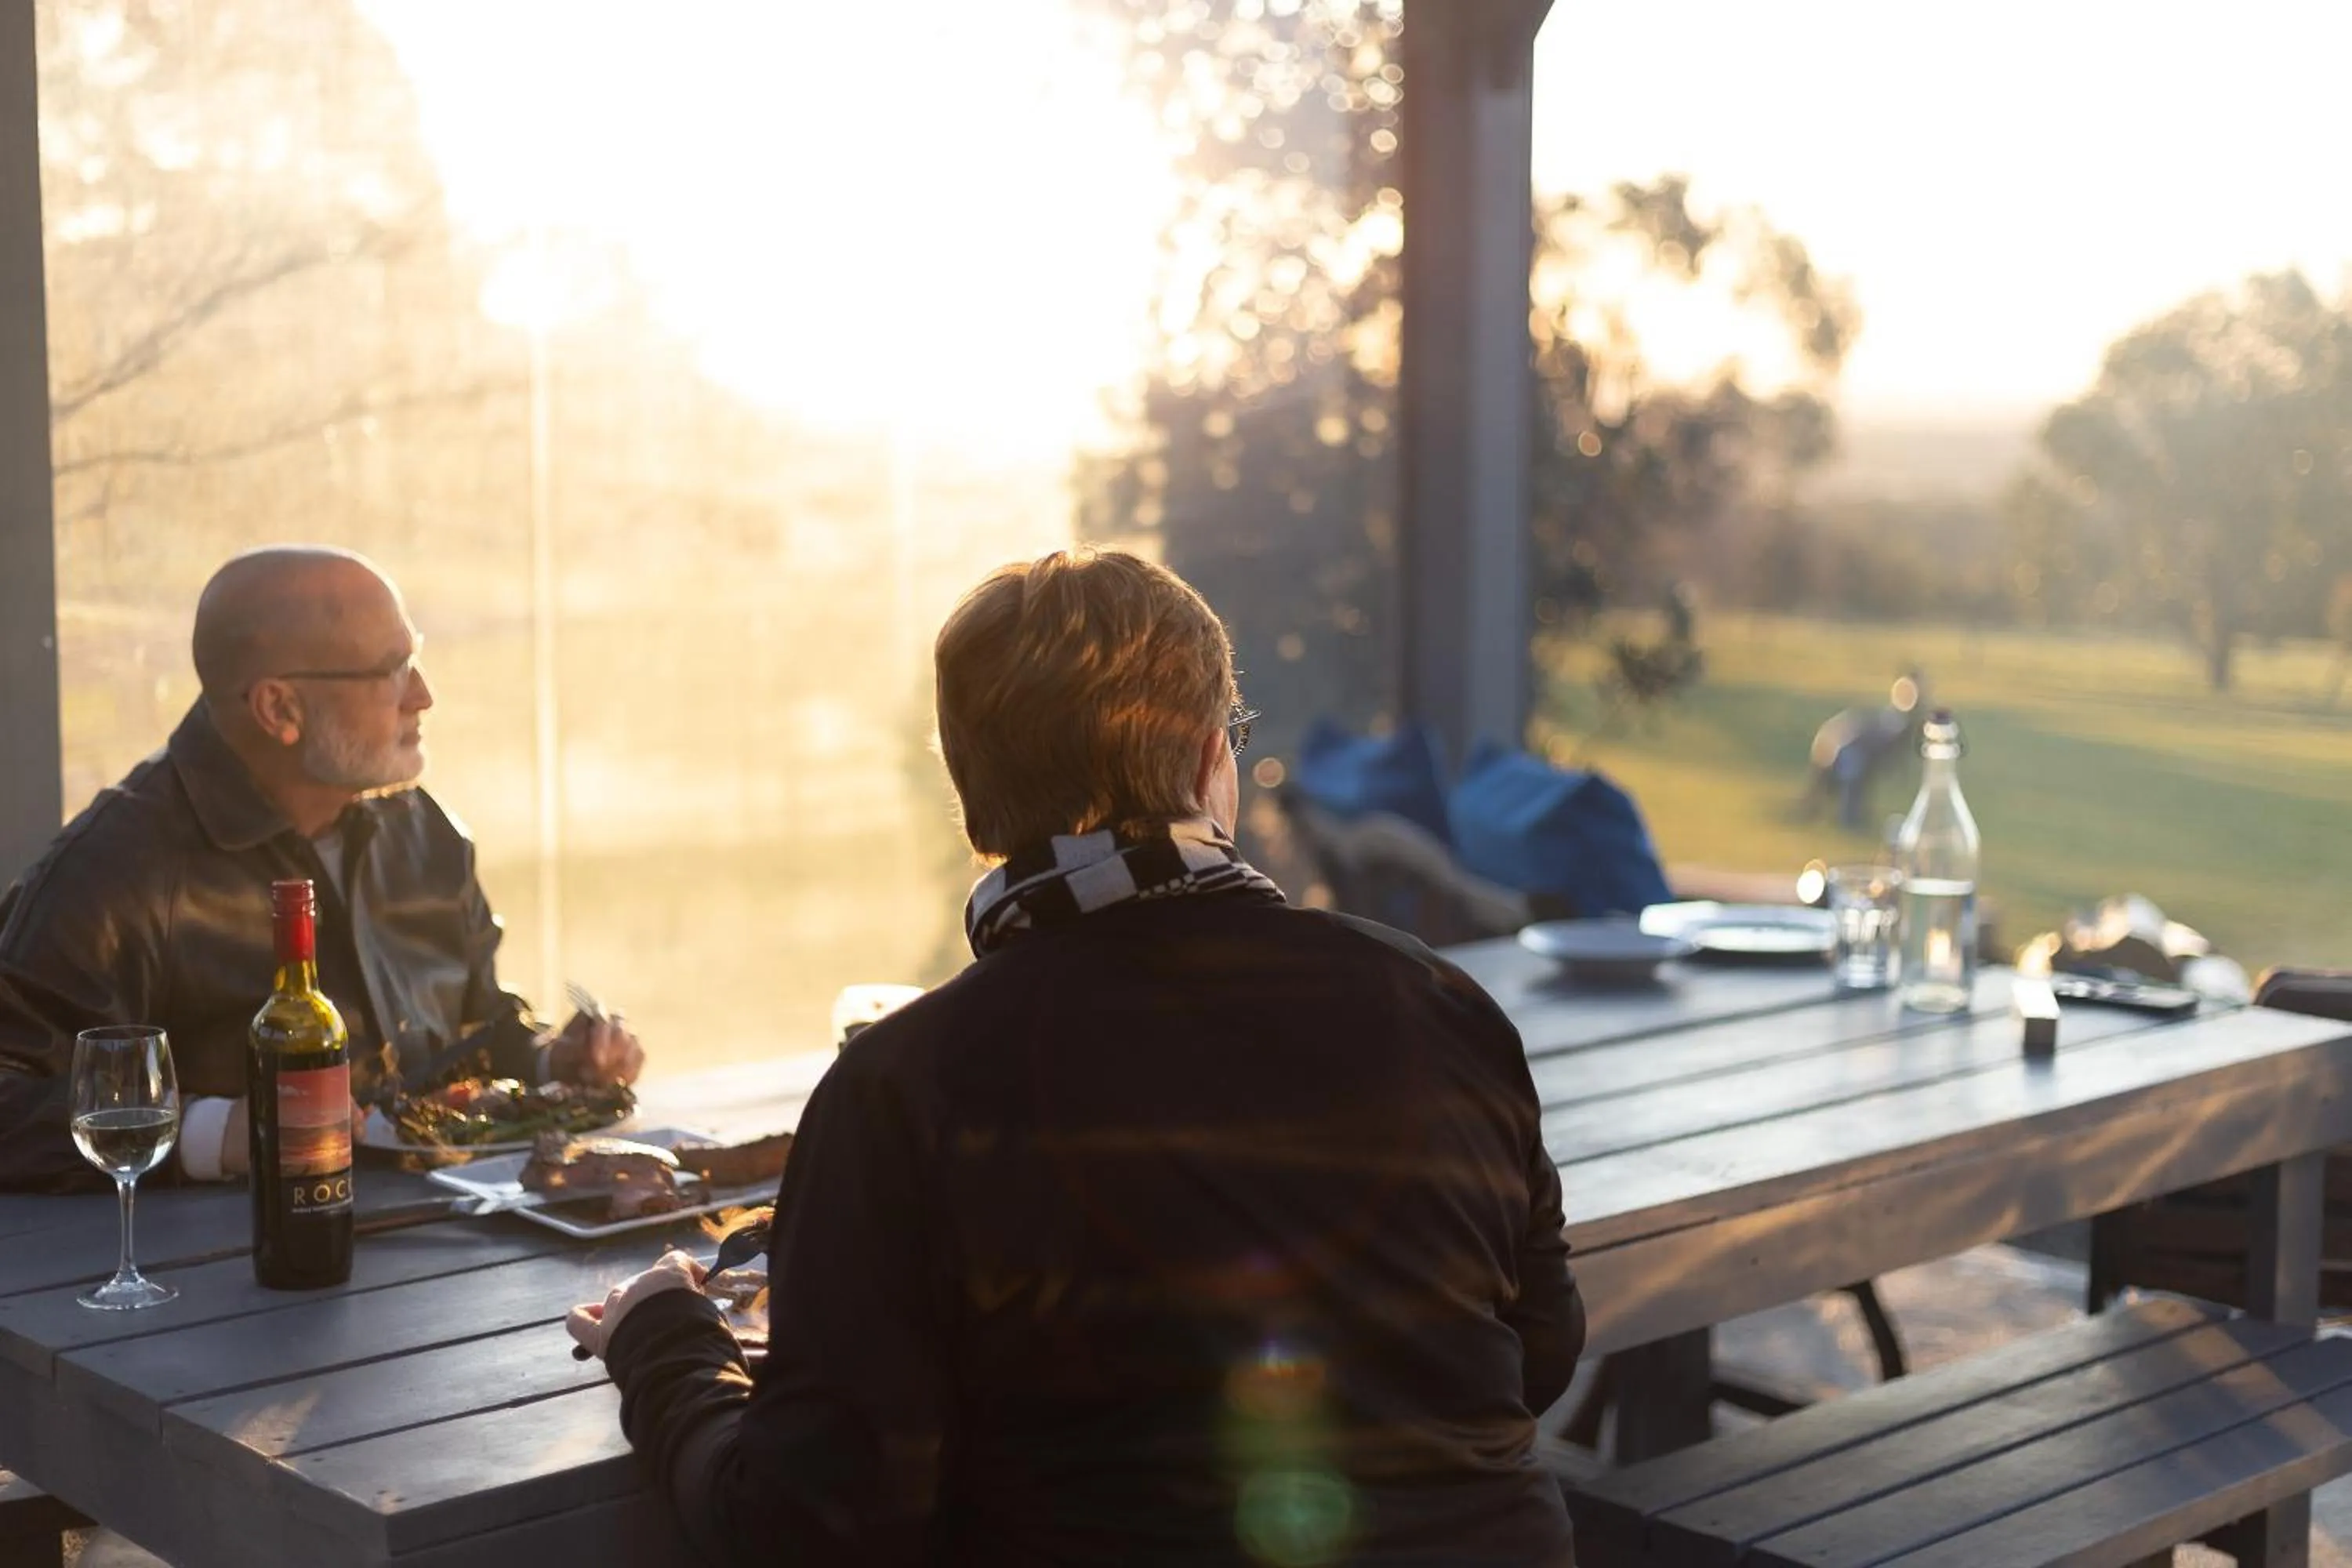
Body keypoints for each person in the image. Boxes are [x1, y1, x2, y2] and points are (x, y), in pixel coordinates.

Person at [569, 550, 1584, 1566]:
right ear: (1202, 765)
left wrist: (666, 1341)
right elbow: (1538, 1354)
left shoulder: (905, 1086)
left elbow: (807, 1530)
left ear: (974, 806)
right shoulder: (1438, 1002)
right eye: (1233, 734)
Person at [0, 546, 642, 1193]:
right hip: (237, 1275)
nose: (423, 695)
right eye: (393, 670)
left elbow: (471, 1030)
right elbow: (9, 1100)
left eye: (414, 658)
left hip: (448, 1248)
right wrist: (220, 1133)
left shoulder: (425, 832)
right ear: (280, 709)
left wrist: (552, 1059)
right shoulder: (114, 873)